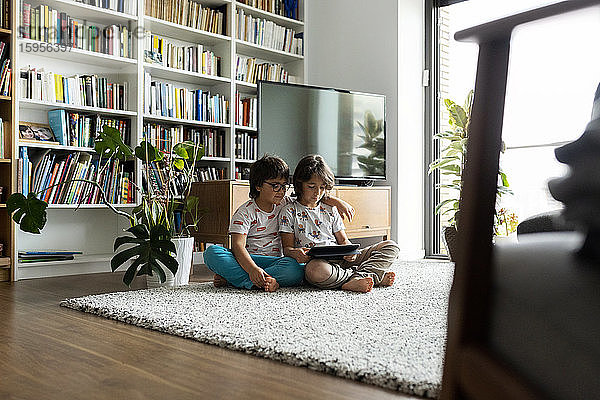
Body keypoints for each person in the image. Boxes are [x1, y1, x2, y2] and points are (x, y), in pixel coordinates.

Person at [203, 154, 355, 292]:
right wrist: (252, 270)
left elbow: (311, 197)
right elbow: (237, 246)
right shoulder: (244, 212)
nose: (281, 191)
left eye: (284, 186)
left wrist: (338, 202)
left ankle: (235, 279)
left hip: (277, 262)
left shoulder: (285, 203)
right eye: (275, 185)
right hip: (249, 259)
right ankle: (256, 280)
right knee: (212, 252)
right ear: (258, 186)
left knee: (295, 269)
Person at [279, 154, 400, 293]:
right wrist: (296, 254)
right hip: (318, 263)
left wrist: (351, 252)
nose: (317, 193)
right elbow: (287, 249)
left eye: (323, 188)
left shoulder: (330, 209)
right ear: (300, 184)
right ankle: (366, 275)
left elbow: (343, 240)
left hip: (342, 259)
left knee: (391, 246)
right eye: (311, 186)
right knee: (315, 271)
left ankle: (359, 277)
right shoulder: (289, 211)